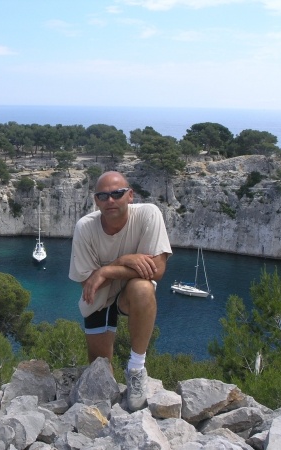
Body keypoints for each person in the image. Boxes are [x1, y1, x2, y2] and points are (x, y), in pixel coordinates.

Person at [69, 171, 172, 412]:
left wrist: (107, 270)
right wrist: (125, 261)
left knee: (143, 288)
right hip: (99, 299)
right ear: (96, 201)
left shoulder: (148, 214)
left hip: (129, 292)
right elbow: (88, 285)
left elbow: (157, 270)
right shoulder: (85, 228)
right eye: (103, 196)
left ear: (130, 195)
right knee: (100, 371)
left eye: (117, 194)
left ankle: (136, 369)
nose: (110, 200)